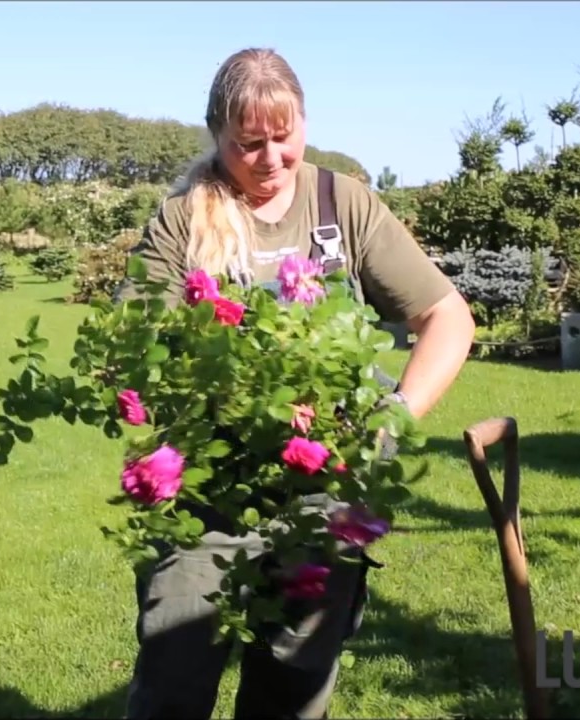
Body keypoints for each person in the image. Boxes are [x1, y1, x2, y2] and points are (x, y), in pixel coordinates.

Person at [119, 47, 476, 718]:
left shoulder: (343, 203)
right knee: (173, 678)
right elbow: (135, 342)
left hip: (325, 488)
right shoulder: (182, 220)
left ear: (304, 122)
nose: (270, 158)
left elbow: (446, 316)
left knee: (294, 684)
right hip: (206, 494)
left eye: (283, 138)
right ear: (217, 135)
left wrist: (394, 414)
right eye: (248, 144)